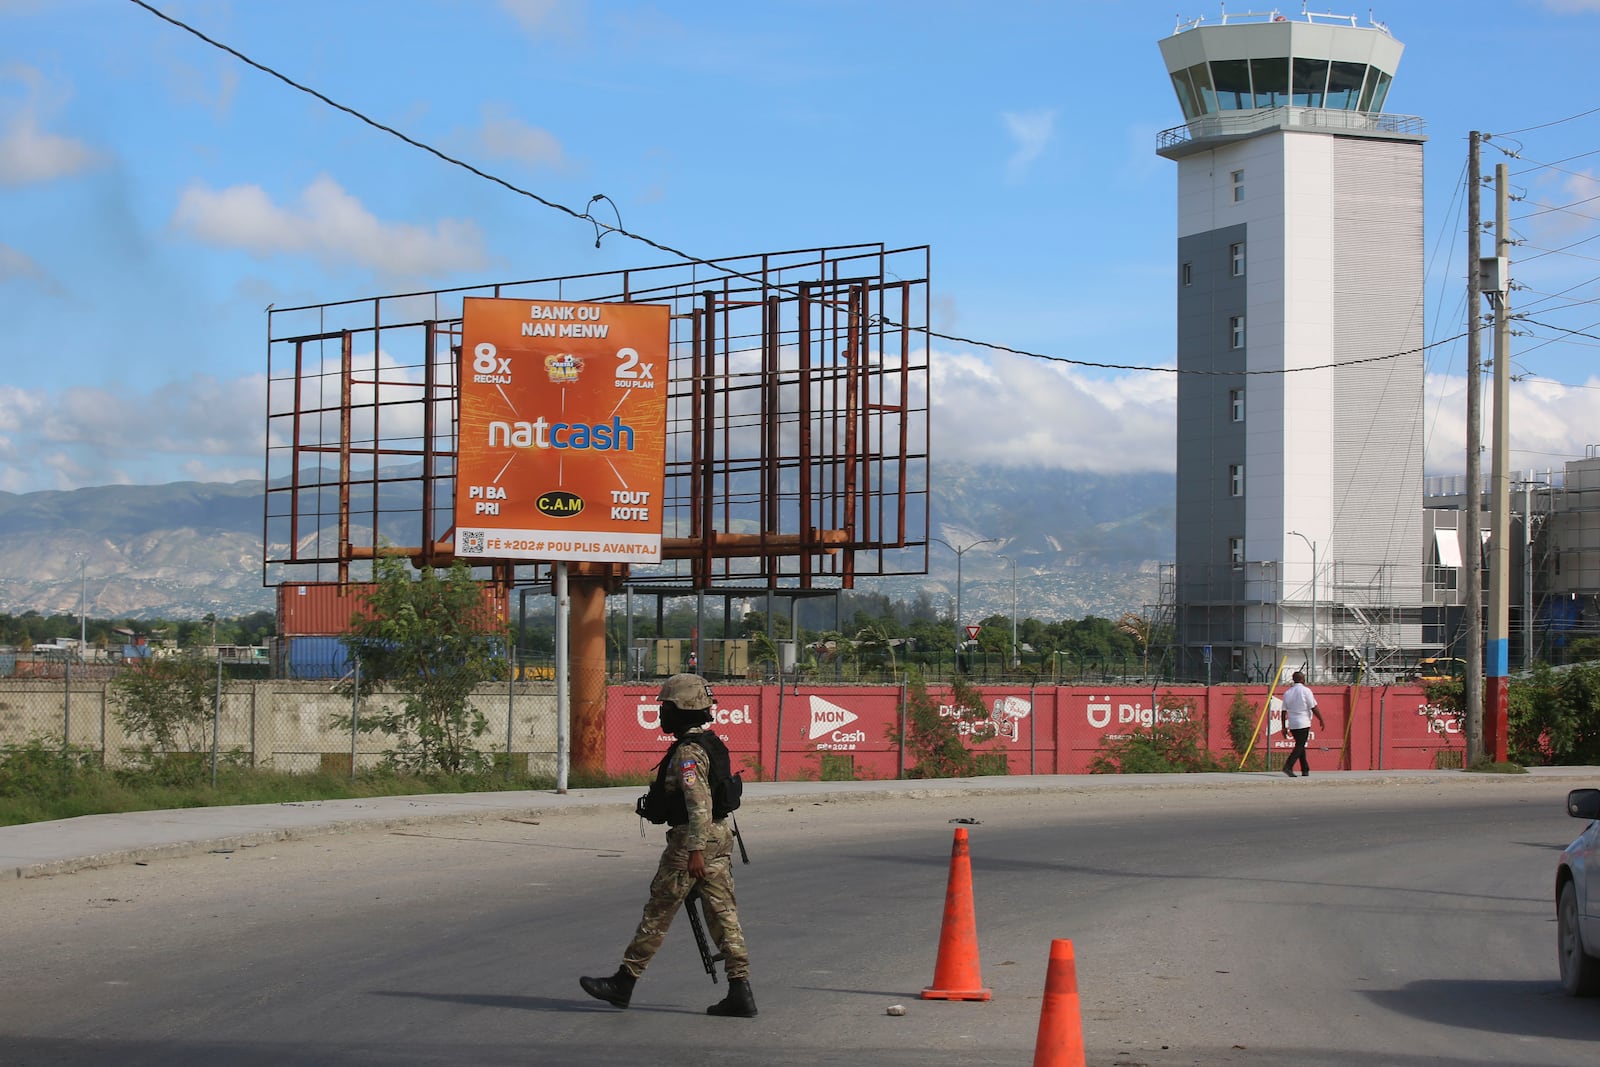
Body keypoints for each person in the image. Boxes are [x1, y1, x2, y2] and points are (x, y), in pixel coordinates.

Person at [579, 673, 756, 1017]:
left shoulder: (688, 753)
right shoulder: (712, 744)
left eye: (667, 707)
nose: (662, 714)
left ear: (682, 710)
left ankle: (623, 982)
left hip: (694, 841)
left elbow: (697, 804)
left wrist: (694, 852)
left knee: (658, 912)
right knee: (724, 916)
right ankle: (740, 990)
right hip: (719, 838)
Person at [1279, 670, 1325, 777]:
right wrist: (1321, 719)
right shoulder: (1306, 691)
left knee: (1301, 745)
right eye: (1304, 678)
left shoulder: (1288, 692)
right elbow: (1313, 707)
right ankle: (1288, 766)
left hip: (1293, 724)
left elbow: (1283, 711)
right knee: (1300, 745)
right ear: (1301, 679)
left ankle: (1305, 769)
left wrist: (1283, 727)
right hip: (1303, 722)